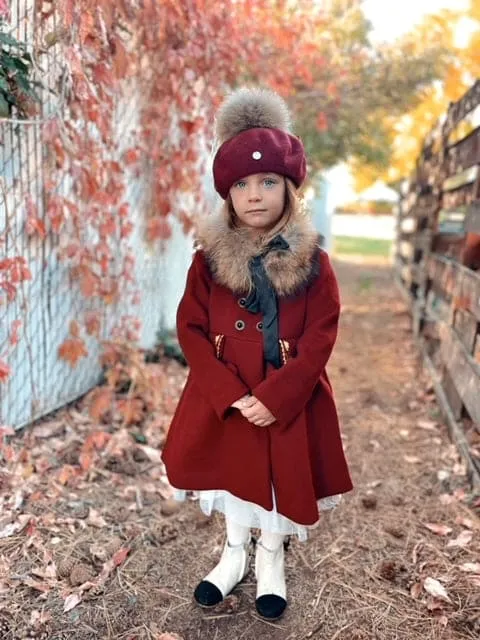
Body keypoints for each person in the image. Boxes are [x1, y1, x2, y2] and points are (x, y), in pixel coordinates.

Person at [161, 87, 353, 620]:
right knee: (232, 473)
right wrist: (226, 393)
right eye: (242, 184)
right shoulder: (207, 261)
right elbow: (190, 326)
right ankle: (232, 555)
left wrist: (278, 395)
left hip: (283, 394)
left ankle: (270, 556)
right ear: (228, 195)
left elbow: (321, 334)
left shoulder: (313, 261)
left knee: (274, 476)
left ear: (289, 188)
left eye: (268, 181)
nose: (254, 194)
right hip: (225, 392)